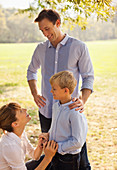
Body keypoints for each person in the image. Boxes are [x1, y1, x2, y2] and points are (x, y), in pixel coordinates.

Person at [27, 9, 94, 169]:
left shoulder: (79, 47)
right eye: (42, 30)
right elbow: (31, 71)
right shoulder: (40, 49)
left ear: (58, 23)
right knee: (51, 157)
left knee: (80, 159)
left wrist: (82, 101)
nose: (45, 33)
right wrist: (35, 94)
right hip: (47, 111)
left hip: (69, 111)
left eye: (47, 28)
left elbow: (88, 77)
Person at [48, 70, 88, 170]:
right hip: (55, 154)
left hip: (69, 158)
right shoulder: (56, 107)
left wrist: (58, 147)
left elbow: (78, 142)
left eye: (54, 89)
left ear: (66, 90)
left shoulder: (74, 112)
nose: (51, 91)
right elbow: (54, 128)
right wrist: (47, 135)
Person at [0, 102, 58, 170]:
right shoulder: (10, 146)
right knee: (48, 160)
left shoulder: (19, 133)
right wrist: (48, 158)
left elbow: (34, 156)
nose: (25, 109)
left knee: (52, 160)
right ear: (15, 124)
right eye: (21, 111)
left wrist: (40, 145)